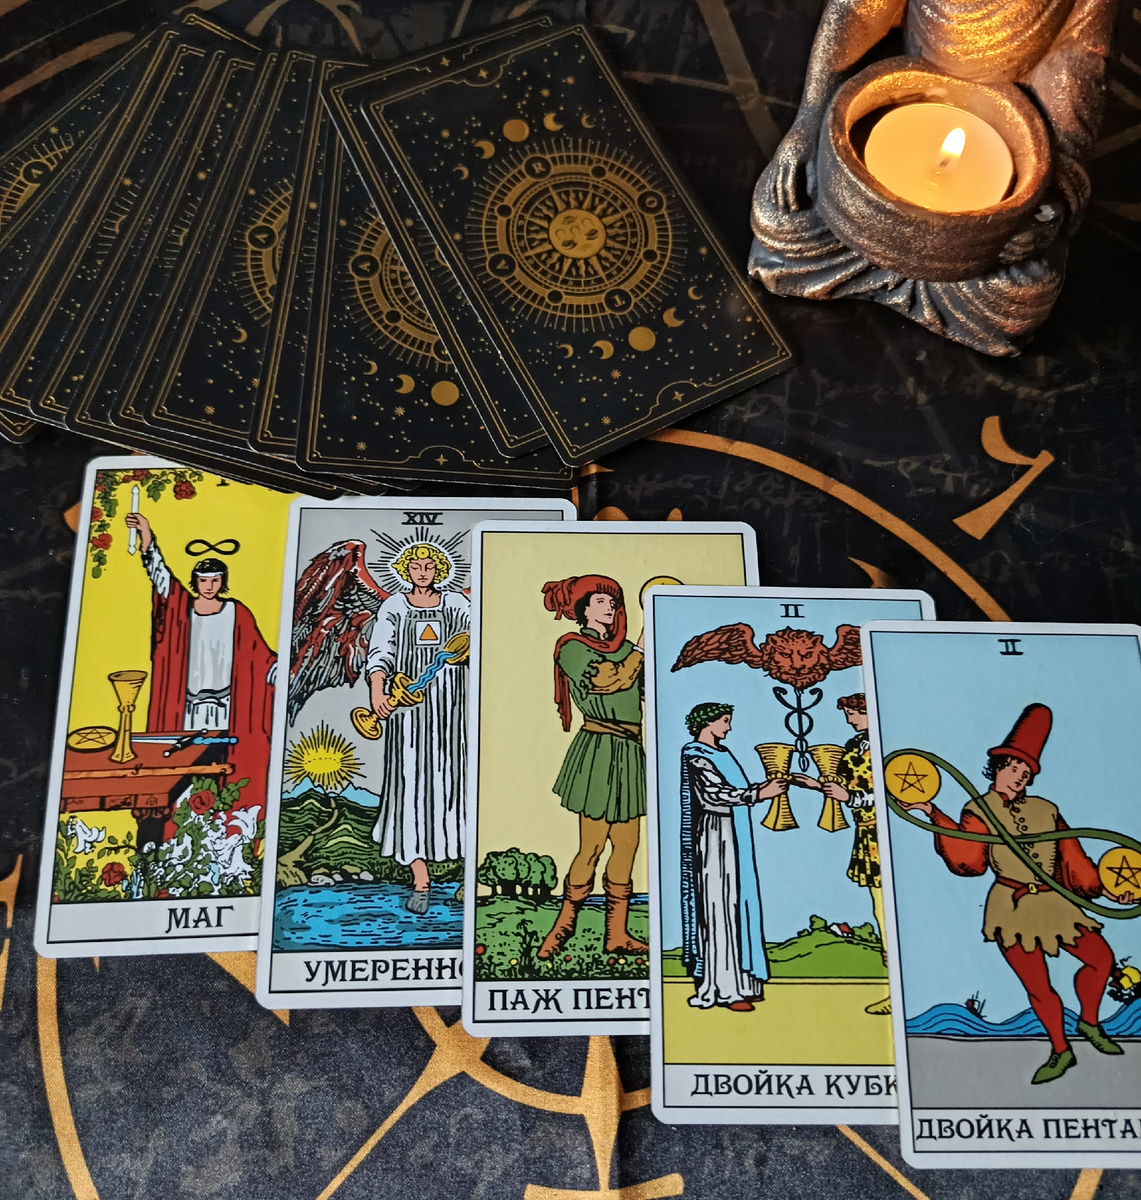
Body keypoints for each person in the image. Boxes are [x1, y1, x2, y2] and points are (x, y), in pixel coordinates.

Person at [902, 703, 1136, 1084]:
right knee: (1039, 986)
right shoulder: (979, 809)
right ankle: (1061, 1050)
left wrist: (1112, 891)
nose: (1019, 778)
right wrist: (933, 813)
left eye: (1026, 774)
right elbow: (969, 860)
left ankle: (1090, 1022)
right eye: (1013, 769)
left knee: (1101, 960)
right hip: (1011, 909)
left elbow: (1074, 863)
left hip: (1055, 902)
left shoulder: (1046, 810)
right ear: (997, 768)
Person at [124, 512, 275, 826]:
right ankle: (180, 829)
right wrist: (146, 535)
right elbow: (161, 577)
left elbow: (260, 659)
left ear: (223, 582)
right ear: (195, 582)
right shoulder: (181, 609)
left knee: (222, 769)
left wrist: (285, 668)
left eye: (215, 580)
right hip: (188, 712)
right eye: (204, 580)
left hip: (226, 711)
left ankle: (220, 830)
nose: (209, 586)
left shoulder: (237, 613)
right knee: (183, 772)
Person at [537, 574, 646, 959]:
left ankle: (616, 933)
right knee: (592, 846)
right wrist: (642, 648)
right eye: (601, 601)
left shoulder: (629, 649)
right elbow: (608, 680)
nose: (610, 607)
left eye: (613, 602)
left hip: (630, 750)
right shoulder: (572, 647)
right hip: (599, 748)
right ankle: (563, 925)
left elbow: (645, 690)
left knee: (628, 844)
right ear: (583, 609)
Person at [367, 542, 468, 914]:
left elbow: (478, 638)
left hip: (453, 711)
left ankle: (468, 875)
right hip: (408, 716)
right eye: (416, 566)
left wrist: (466, 652)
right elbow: (380, 652)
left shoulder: (456, 604)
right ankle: (420, 880)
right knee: (410, 785)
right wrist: (378, 692)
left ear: (438, 569)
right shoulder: (394, 607)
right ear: (406, 570)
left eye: (429, 566)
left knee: (457, 785)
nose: (422, 572)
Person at [680, 702, 791, 1011]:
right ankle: (724, 989)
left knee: (741, 903)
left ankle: (745, 982)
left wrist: (764, 788)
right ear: (707, 723)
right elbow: (713, 794)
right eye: (724, 721)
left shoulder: (724, 753)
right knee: (720, 904)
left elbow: (734, 789)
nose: (728, 727)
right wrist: (758, 794)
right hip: (714, 835)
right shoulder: (696, 755)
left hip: (736, 833)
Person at [795, 692, 890, 1015]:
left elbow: (886, 793)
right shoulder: (853, 746)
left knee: (888, 907)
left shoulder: (885, 742)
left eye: (853, 713)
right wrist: (815, 785)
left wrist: (850, 798)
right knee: (878, 906)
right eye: (847, 714)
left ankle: (897, 986)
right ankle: (891, 980)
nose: (849, 720)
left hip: (883, 831)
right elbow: (844, 786)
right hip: (865, 832)